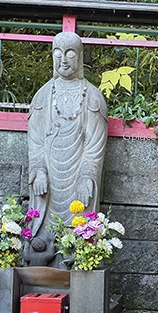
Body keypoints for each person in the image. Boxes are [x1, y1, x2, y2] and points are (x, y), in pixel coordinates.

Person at [26, 31, 108, 265]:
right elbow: (35, 141)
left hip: (77, 176)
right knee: (43, 234)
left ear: (80, 57)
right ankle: (42, 261)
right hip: (50, 177)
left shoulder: (92, 97)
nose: (63, 60)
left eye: (70, 54)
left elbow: (95, 145)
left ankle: (78, 259)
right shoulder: (42, 96)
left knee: (78, 226)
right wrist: (39, 169)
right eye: (58, 53)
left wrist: (86, 176)